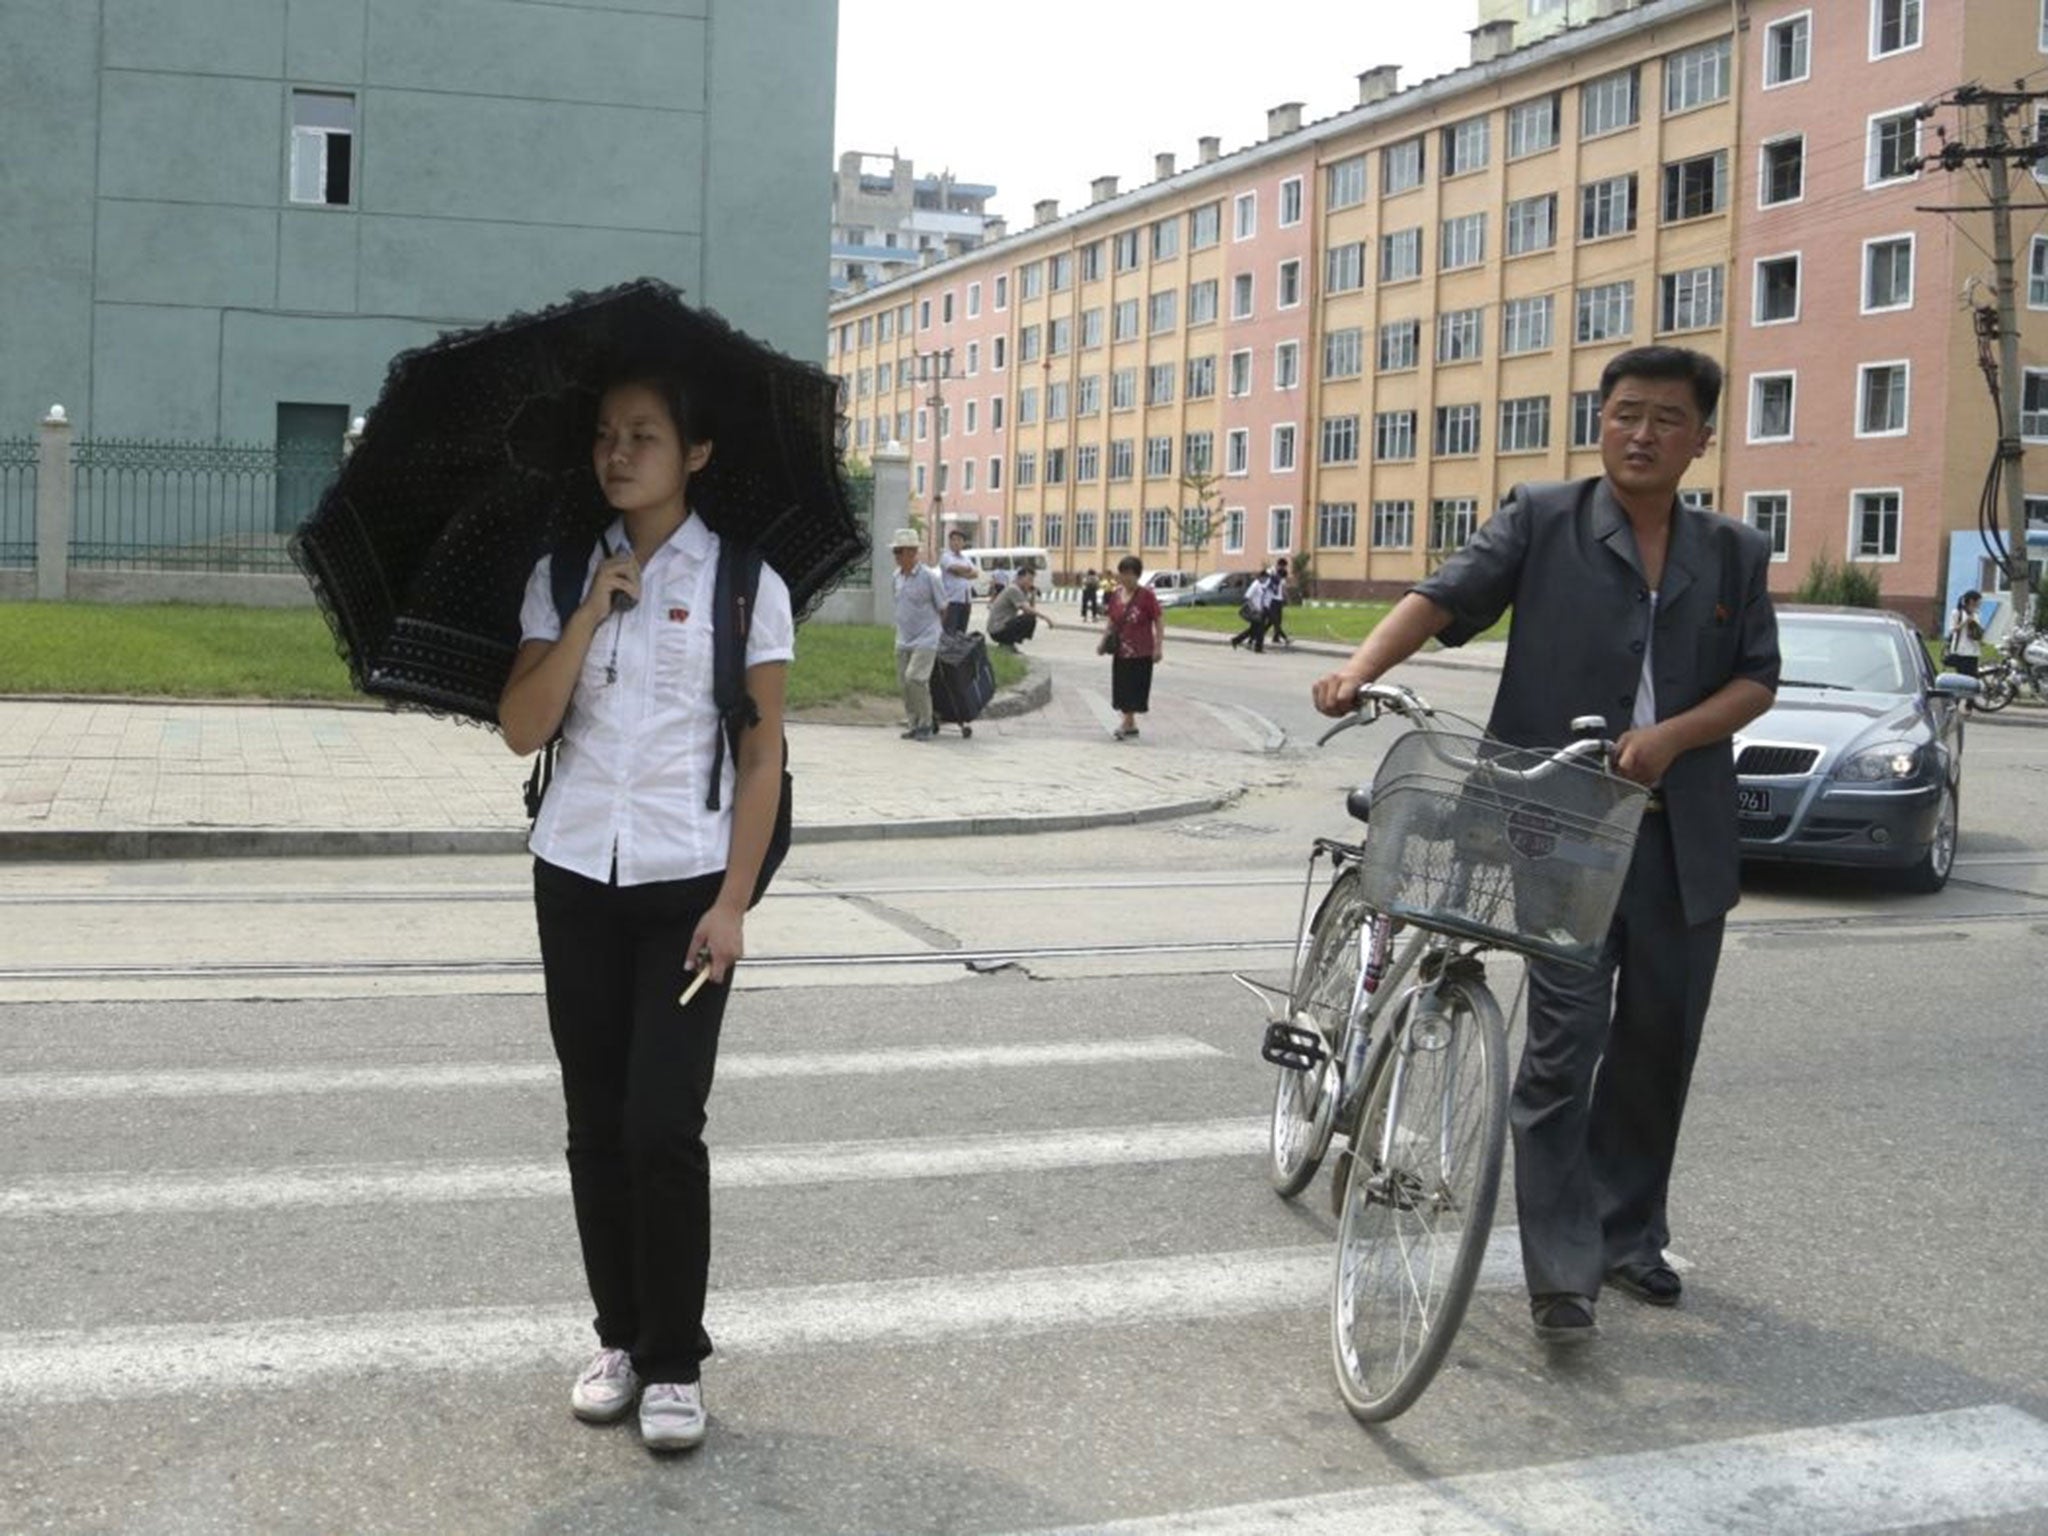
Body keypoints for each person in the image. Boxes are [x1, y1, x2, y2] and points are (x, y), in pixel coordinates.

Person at [1311, 344, 1779, 1346]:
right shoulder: (1542, 517)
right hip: (1556, 827)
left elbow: (1754, 682)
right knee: (1565, 1047)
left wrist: (1670, 737)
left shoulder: (1730, 551)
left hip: (1680, 836)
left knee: (1658, 1045)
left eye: (1663, 419)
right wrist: (1356, 667)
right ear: (1597, 419)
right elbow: (1441, 598)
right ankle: (1559, 1274)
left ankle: (1625, 1236)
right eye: (1622, 414)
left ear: (1701, 438)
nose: (1639, 434)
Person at [498, 365, 794, 1452]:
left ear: (696, 453)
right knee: (593, 1127)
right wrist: (586, 615)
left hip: (685, 885)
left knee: (660, 1127)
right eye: (605, 435)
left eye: (645, 435)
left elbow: (760, 760)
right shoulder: (565, 570)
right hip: (573, 873)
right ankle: (618, 1339)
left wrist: (733, 904)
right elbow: (524, 729)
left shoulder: (743, 583)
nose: (617, 453)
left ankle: (675, 1359)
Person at [889, 527, 946, 741]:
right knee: (905, 682)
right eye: (894, 551)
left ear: (912, 552)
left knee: (916, 678)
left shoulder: (929, 577)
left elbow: (943, 607)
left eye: (898, 551)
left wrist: (937, 633)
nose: (895, 556)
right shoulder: (896, 577)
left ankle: (926, 723)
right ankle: (913, 723)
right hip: (903, 638)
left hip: (926, 638)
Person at [1102, 553, 1164, 740]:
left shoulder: (1147, 596)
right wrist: (1103, 642)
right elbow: (1111, 621)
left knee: (1134, 689)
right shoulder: (1116, 595)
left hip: (1141, 651)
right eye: (1123, 573)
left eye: (1130, 573)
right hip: (1121, 650)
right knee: (1121, 689)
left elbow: (1159, 620)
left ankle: (1126, 723)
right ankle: (1131, 724)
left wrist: (1158, 646)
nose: (1126, 577)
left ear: (1138, 575)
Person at [986, 565, 1054, 649]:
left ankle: (1009, 643)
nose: (1031, 583)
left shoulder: (1020, 591)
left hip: (1002, 626)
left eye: (1032, 580)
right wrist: (1045, 618)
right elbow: (1027, 610)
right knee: (1028, 619)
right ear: (1020, 577)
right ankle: (1007, 643)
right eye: (1029, 579)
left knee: (1030, 618)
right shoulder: (1013, 589)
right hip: (997, 629)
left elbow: (1029, 610)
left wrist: (1032, 596)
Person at [939, 527, 979, 635]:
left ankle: (958, 651)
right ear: (950, 542)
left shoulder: (965, 558)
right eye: (954, 539)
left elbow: (975, 573)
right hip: (952, 600)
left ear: (963, 543)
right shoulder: (946, 556)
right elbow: (953, 568)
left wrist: (961, 572)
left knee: (961, 631)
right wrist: (966, 570)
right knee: (950, 630)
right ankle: (948, 652)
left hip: (966, 600)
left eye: (959, 540)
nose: (956, 542)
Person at [1229, 569, 1273, 652]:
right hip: (1255, 612)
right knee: (1260, 630)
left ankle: (1235, 640)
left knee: (1253, 630)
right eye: (1265, 578)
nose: (1266, 580)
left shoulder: (1261, 585)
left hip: (1260, 611)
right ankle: (1258, 648)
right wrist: (1254, 609)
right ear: (1261, 577)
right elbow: (1247, 597)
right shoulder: (1255, 585)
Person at [1945, 589, 1984, 676]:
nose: (1979, 604)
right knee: (1962, 676)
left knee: (1973, 675)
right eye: (1978, 601)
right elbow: (1953, 629)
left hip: (1973, 651)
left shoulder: (1976, 614)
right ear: (1971, 601)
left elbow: (1975, 630)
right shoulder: (1957, 613)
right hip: (1961, 651)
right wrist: (1966, 621)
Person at [1266, 557, 1294, 647]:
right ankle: (1286, 638)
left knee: (1275, 621)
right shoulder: (1271, 572)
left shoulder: (1282, 575)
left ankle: (1275, 637)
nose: (1284, 568)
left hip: (1279, 601)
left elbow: (1283, 588)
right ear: (1279, 565)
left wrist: (1287, 598)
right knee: (1275, 621)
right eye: (1283, 566)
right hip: (1272, 601)